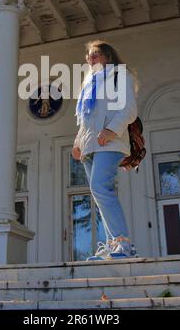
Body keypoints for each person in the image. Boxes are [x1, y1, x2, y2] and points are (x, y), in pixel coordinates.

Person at [72, 40, 139, 261]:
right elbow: (85, 118)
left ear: (108, 57)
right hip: (89, 145)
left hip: (110, 142)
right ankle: (113, 246)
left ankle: (124, 244)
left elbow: (129, 109)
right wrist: (77, 142)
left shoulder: (120, 76)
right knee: (99, 193)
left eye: (96, 55)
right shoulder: (89, 83)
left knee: (101, 187)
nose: (90, 59)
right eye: (88, 56)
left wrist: (111, 131)